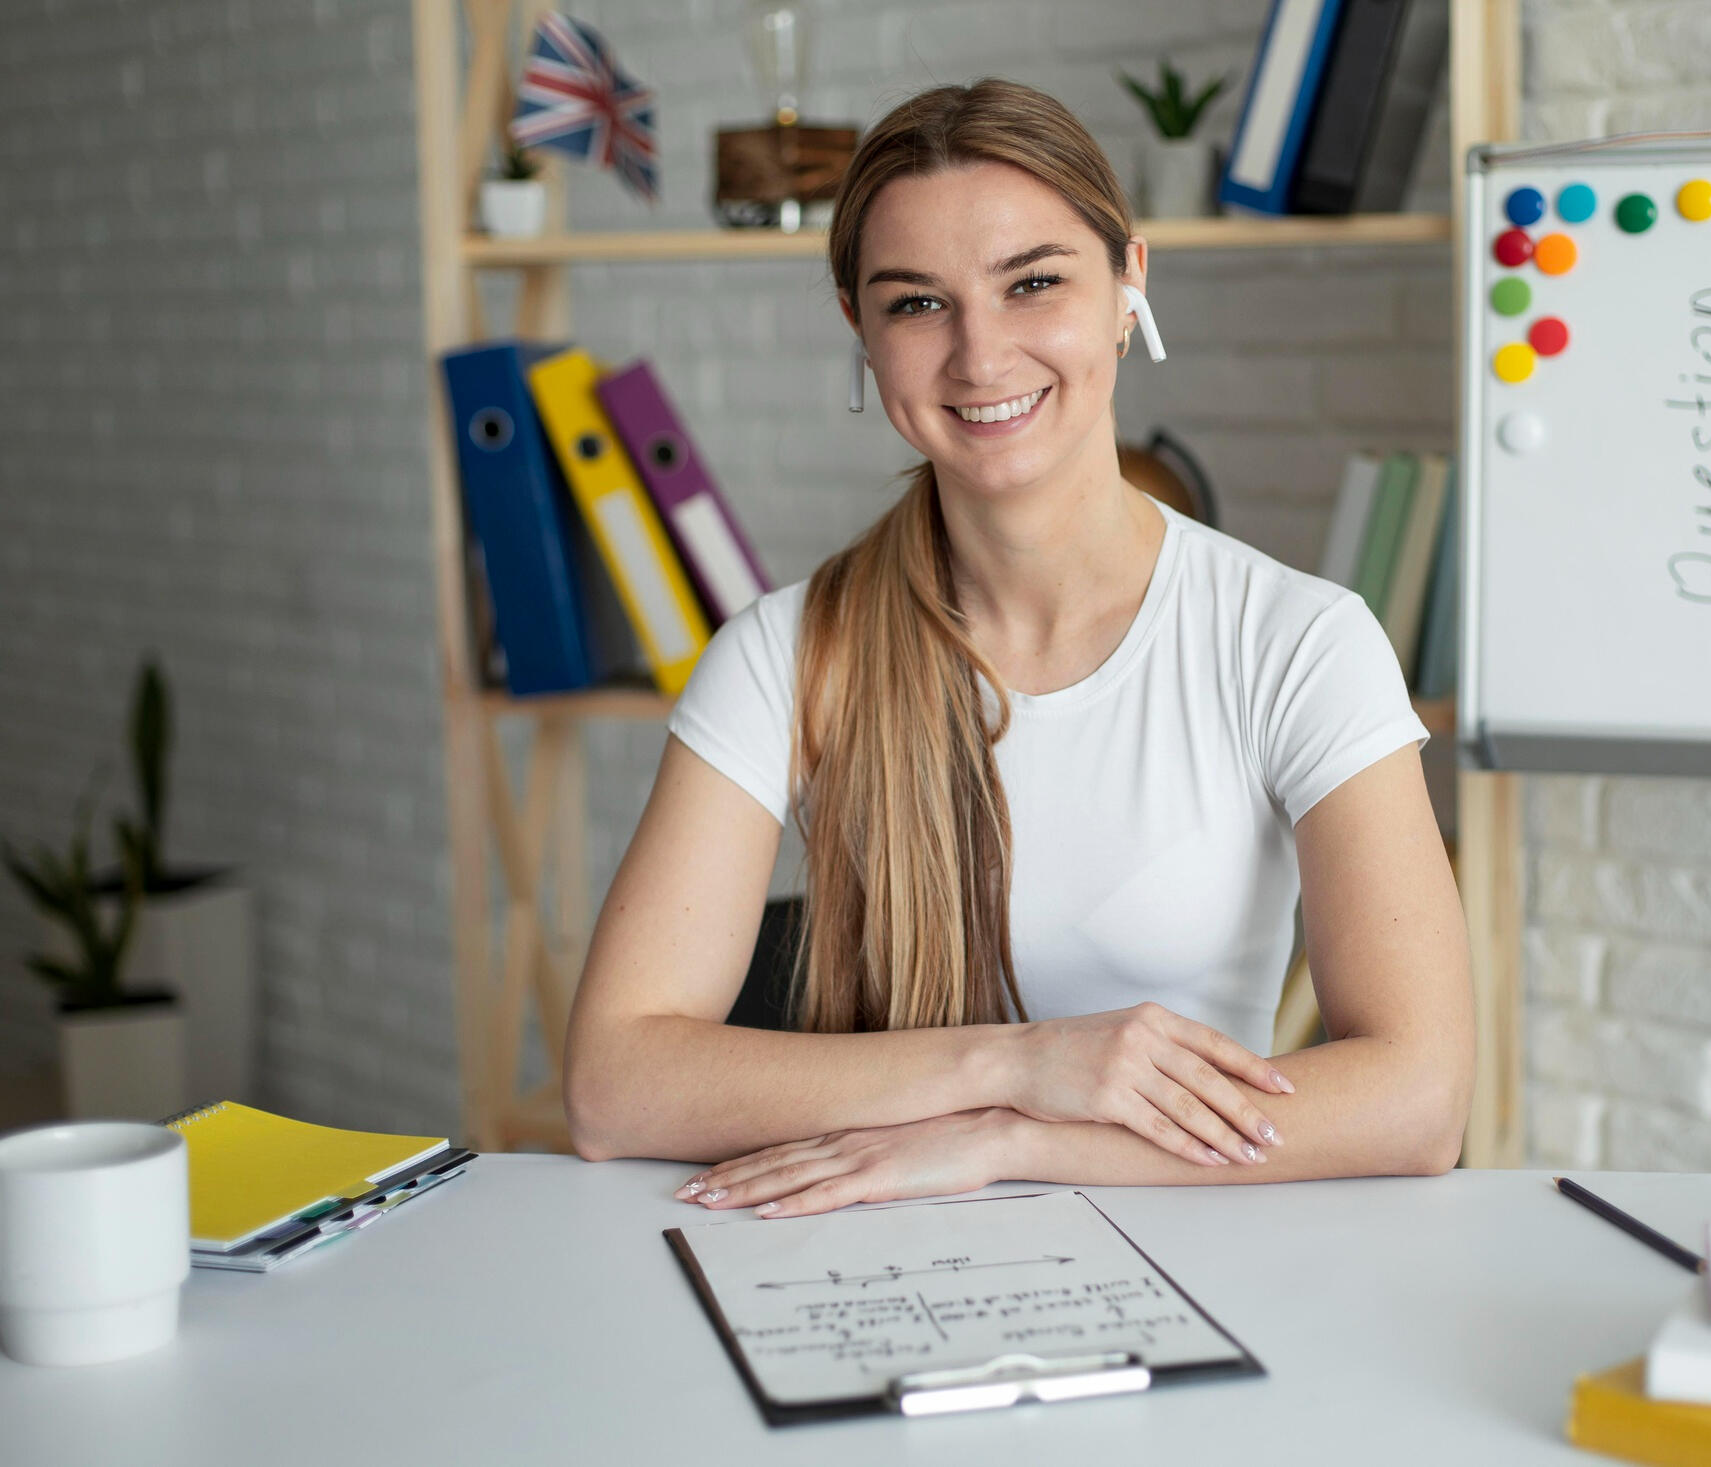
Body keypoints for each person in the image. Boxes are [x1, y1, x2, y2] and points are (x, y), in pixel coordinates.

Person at [564, 79, 1473, 1217]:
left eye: (1032, 282)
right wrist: (1009, 1068)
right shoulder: (787, 654)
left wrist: (1005, 1145)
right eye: (915, 305)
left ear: (1126, 285)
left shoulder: (1295, 641)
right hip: (863, 1264)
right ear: (859, 330)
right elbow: (613, 1086)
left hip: (1205, 1265)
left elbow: (1417, 1099)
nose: (979, 356)